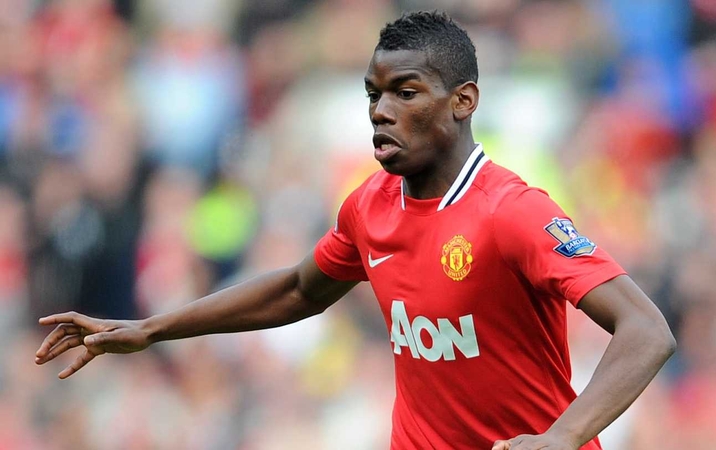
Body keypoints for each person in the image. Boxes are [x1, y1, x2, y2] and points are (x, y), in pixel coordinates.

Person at [34, 11, 676, 450]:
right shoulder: (370, 206)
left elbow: (647, 331)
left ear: (463, 100)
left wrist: (562, 438)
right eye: (373, 94)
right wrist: (152, 329)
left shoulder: (512, 212)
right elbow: (298, 290)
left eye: (406, 92)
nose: (381, 111)